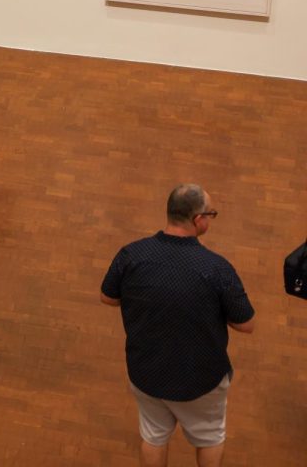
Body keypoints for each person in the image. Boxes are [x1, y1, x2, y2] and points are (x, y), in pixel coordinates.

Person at [100, 184, 255, 467]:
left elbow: (107, 296)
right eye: (211, 214)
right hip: (202, 380)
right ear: (198, 220)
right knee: (210, 438)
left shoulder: (131, 255)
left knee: (153, 437)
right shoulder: (216, 268)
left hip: (146, 372)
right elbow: (246, 323)